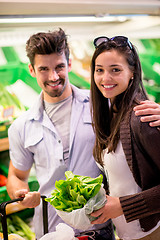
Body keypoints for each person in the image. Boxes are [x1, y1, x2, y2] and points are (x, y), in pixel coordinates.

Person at [6, 29, 160, 240]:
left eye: (59, 67)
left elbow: (136, 110)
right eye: (44, 69)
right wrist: (20, 194)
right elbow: (16, 175)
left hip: (101, 229)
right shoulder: (21, 126)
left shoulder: (104, 104)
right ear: (32, 70)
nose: (53, 76)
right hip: (52, 229)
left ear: (69, 65)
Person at [89, 35, 160, 240]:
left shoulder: (142, 118)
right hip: (126, 233)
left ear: (132, 73)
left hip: (151, 232)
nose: (105, 78)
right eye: (99, 70)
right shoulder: (110, 113)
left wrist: (121, 206)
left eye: (115, 70)